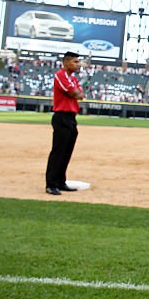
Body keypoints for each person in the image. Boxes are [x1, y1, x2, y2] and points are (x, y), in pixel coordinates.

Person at [45, 51, 84, 195]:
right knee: (58, 152)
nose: (78, 64)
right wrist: (75, 93)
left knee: (67, 152)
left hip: (71, 117)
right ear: (66, 62)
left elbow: (80, 95)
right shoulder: (61, 75)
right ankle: (51, 184)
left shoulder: (72, 78)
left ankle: (61, 181)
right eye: (75, 62)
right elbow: (75, 94)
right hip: (62, 117)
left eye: (78, 62)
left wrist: (76, 93)